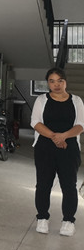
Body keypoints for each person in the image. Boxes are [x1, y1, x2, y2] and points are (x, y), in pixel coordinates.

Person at [31, 67, 84, 236]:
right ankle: (42, 218)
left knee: (69, 186)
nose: (56, 84)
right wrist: (55, 137)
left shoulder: (76, 101)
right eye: (52, 81)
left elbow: (81, 125)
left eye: (60, 81)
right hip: (44, 148)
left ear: (65, 82)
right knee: (43, 184)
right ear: (48, 83)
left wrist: (64, 136)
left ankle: (68, 221)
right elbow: (35, 122)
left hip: (69, 149)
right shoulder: (41, 100)